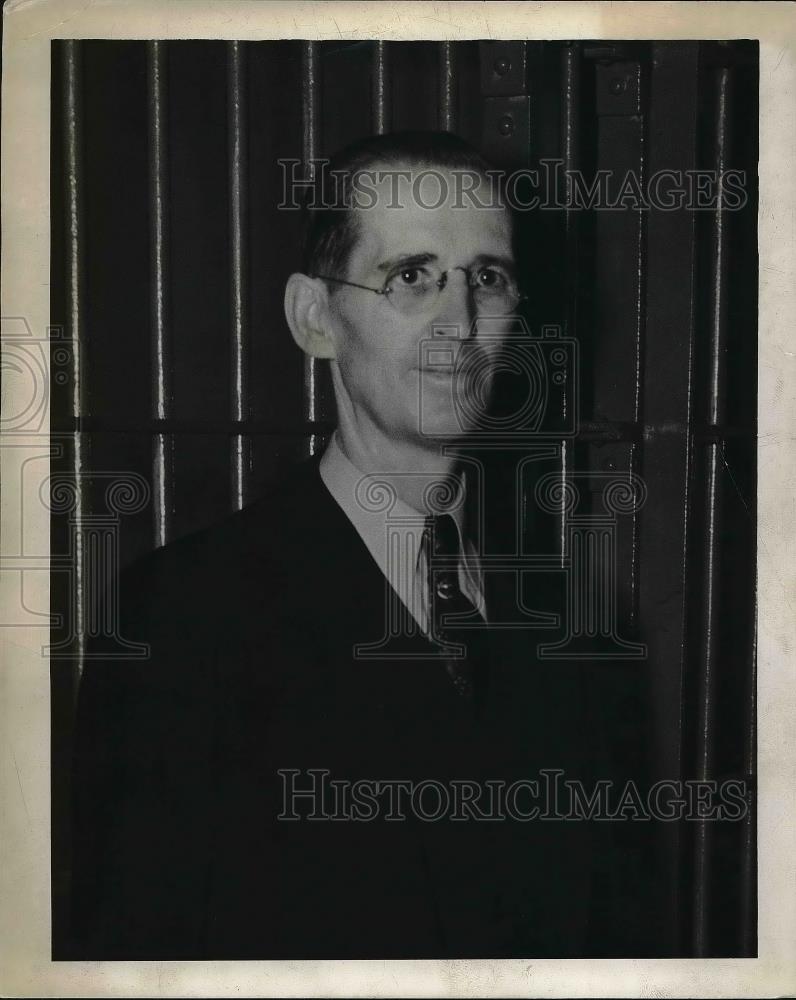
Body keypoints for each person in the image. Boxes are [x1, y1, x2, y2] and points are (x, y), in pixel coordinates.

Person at [69, 131, 652, 960]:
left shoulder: (578, 631)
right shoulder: (180, 619)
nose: (460, 321)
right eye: (411, 276)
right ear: (316, 318)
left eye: (487, 277)